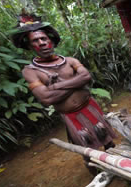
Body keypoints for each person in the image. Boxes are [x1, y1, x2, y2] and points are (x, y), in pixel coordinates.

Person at [11, 13, 117, 173]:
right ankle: (97, 176)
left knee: (107, 140)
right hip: (71, 116)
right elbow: (46, 98)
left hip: (90, 107)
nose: (41, 43)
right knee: (86, 150)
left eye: (44, 39)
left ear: (51, 40)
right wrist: (77, 83)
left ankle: (117, 166)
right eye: (35, 41)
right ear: (30, 46)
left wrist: (55, 87)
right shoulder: (30, 71)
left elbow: (86, 77)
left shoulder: (70, 60)